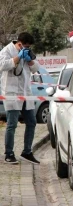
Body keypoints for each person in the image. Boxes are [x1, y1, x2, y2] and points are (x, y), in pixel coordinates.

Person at [0, 32, 40, 164]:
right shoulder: (7, 50)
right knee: (12, 124)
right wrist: (18, 57)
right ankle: (9, 153)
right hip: (11, 93)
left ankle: (27, 151)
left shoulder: (28, 51)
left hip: (26, 93)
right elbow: (3, 65)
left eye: (28, 47)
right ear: (18, 43)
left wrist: (29, 59)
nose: (26, 48)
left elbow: (35, 69)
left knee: (32, 122)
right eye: (24, 46)